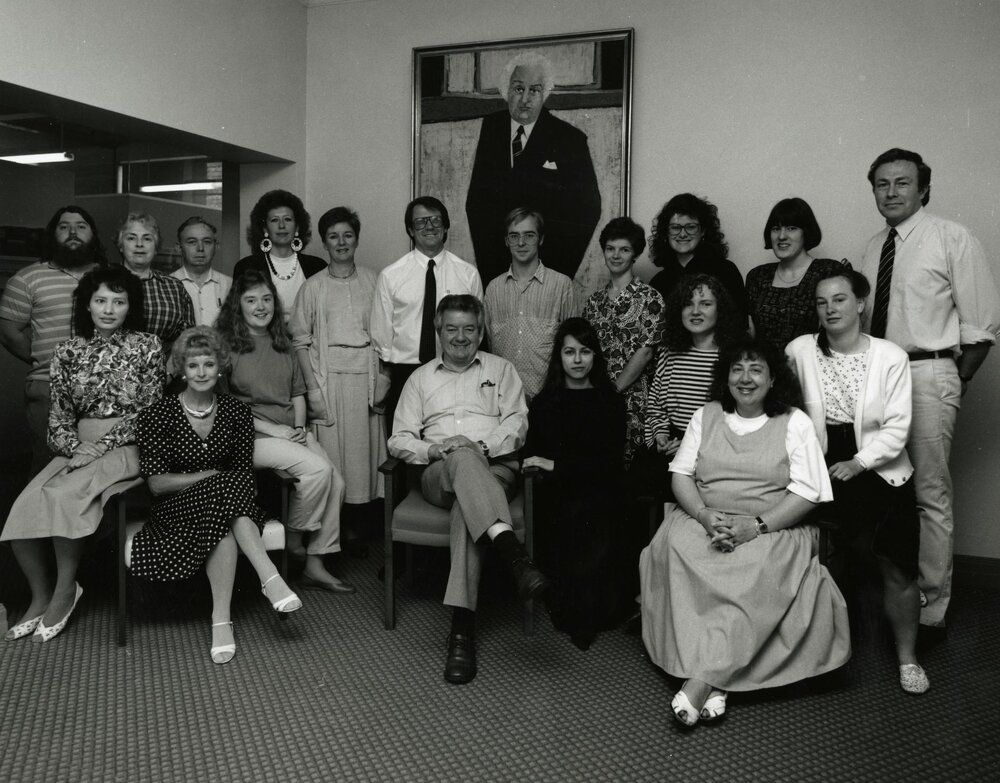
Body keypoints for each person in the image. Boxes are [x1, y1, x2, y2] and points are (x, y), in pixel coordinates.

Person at [639, 336, 850, 727]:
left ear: (773, 379)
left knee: (754, 566)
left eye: (756, 369)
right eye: (737, 369)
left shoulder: (794, 421)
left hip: (773, 525)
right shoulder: (706, 415)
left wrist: (755, 526)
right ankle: (721, 681)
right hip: (706, 518)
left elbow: (809, 493)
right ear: (726, 376)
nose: (745, 378)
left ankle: (702, 680)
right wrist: (703, 515)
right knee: (678, 547)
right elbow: (681, 475)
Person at [859, 148, 1000, 630]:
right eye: (882, 184)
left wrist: (950, 379)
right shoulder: (873, 247)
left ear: (923, 189)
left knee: (928, 494)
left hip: (928, 374)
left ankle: (931, 608)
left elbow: (981, 329)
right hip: (879, 378)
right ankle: (896, 596)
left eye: (902, 183)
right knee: (885, 489)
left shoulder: (951, 238)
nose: (891, 192)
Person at [387, 294, 546, 685]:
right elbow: (398, 439)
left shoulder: (502, 369)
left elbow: (517, 424)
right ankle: (513, 555)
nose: (461, 337)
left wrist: (483, 447)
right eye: (452, 329)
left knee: (466, 503)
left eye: (469, 329)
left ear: (481, 332)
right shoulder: (420, 378)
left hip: (495, 469)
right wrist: (435, 449)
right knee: (459, 457)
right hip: (437, 473)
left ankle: (462, 631)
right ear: (439, 331)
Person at [2, 266, 164, 642]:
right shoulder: (67, 350)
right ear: (87, 306)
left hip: (129, 446)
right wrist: (78, 447)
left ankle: (65, 588)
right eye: (101, 300)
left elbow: (150, 414)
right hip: (78, 448)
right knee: (24, 506)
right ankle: (41, 595)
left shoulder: (148, 346)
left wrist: (100, 447)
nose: (109, 309)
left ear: (130, 307)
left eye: (118, 301)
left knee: (63, 496)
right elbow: (58, 419)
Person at [787, 268, 929, 694]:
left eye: (840, 299)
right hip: (820, 461)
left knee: (896, 565)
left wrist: (858, 463)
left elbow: (898, 428)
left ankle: (908, 658)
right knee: (810, 552)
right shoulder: (800, 350)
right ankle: (811, 651)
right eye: (821, 302)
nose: (829, 309)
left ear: (861, 303)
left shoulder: (890, 356)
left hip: (880, 467)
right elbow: (787, 408)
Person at [131, 326, 304, 665]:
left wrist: (219, 481)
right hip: (175, 510)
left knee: (224, 516)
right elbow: (157, 484)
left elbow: (243, 475)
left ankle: (220, 621)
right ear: (181, 369)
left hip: (228, 507)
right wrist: (210, 475)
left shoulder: (236, 413)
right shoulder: (156, 416)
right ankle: (269, 578)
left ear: (220, 367)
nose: (201, 373)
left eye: (208, 364)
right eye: (193, 365)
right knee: (224, 490)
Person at [217, 271, 353, 593]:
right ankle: (294, 539)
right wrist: (273, 430)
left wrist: (298, 429)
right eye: (251, 300)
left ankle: (315, 564)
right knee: (318, 470)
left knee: (338, 482)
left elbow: (297, 395)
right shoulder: (228, 347)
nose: (261, 307)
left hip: (288, 431)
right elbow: (224, 406)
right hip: (250, 436)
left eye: (266, 299)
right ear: (239, 306)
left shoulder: (284, 344)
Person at [523, 317, 626, 650]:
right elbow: (531, 456)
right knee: (567, 515)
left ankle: (589, 611)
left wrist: (557, 465)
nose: (578, 360)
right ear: (559, 357)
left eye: (585, 351)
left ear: (595, 356)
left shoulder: (610, 402)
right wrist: (553, 469)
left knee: (591, 511)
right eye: (570, 352)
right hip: (557, 496)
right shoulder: (544, 403)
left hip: (599, 491)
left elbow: (608, 465)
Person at [290, 207, 388, 545]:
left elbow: (388, 335)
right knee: (334, 458)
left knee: (365, 458)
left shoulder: (375, 281)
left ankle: (360, 528)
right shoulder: (313, 287)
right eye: (333, 236)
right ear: (324, 242)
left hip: (367, 378)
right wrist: (312, 389)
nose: (341, 242)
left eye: (347, 235)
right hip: (327, 379)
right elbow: (300, 341)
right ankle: (337, 530)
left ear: (357, 239)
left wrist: (384, 382)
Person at [465, 50, 601, 285]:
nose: (525, 98)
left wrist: (554, 274)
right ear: (506, 90)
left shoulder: (570, 139)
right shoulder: (492, 127)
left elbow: (588, 209)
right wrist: (491, 273)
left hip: (548, 272)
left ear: (545, 94)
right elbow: (476, 203)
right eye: (518, 89)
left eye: (534, 90)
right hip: (496, 271)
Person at [0, 205, 105, 475]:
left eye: (81, 226)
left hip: (103, 390)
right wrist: (48, 360)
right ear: (52, 234)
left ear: (93, 234)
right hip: (48, 387)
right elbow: (9, 333)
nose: (73, 232)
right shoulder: (27, 278)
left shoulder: (109, 277)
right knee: (50, 467)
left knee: (98, 468)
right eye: (64, 226)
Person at [371, 196, 483, 432]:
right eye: (421, 222)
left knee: (451, 437)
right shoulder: (391, 275)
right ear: (410, 230)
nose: (429, 227)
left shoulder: (468, 274)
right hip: (405, 372)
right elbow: (381, 333)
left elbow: (478, 329)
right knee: (404, 445)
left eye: (435, 220)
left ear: (445, 227)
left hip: (456, 369)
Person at [638, 274, 745, 498]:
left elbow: (742, 417)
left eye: (705, 304)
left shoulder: (734, 356)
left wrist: (694, 446)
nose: (695, 311)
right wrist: (661, 438)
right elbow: (656, 406)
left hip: (717, 448)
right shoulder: (669, 351)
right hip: (674, 441)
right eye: (688, 304)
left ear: (720, 309)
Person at [582, 217, 665, 464]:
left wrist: (614, 391)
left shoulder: (651, 298)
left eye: (624, 249)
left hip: (636, 400)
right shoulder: (593, 303)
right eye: (610, 248)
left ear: (635, 255)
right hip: (597, 397)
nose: (616, 255)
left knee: (631, 473)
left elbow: (646, 352)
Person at [484, 207, 577, 401]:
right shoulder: (493, 289)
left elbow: (573, 346)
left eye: (529, 235)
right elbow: (489, 345)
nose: (521, 242)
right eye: (514, 236)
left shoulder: (561, 285)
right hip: (503, 400)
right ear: (506, 241)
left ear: (541, 239)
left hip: (550, 399)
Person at [746, 197, 849, 350]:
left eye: (791, 228)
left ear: (805, 232)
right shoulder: (758, 276)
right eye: (775, 229)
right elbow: (749, 335)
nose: (782, 236)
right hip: (765, 370)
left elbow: (843, 332)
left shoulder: (828, 271)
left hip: (812, 369)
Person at [648, 193, 747, 328]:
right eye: (675, 228)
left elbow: (740, 324)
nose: (682, 234)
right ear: (666, 232)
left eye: (691, 227)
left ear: (703, 231)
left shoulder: (726, 271)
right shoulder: (658, 282)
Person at [234, 190, 327, 322]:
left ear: (297, 228)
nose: (282, 226)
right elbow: (238, 315)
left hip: (310, 340)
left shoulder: (317, 266)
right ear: (265, 229)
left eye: (287, 219)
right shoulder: (246, 267)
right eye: (274, 220)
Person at [116, 212, 195, 355]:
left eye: (147, 239)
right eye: (131, 238)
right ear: (121, 245)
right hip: (112, 369)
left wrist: (171, 369)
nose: (139, 244)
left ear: (156, 247)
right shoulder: (102, 283)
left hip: (165, 372)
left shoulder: (174, 287)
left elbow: (187, 340)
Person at [170, 216, 232, 327]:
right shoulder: (168, 285)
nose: (200, 248)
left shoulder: (230, 285)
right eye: (192, 242)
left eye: (207, 242)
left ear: (216, 246)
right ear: (179, 248)